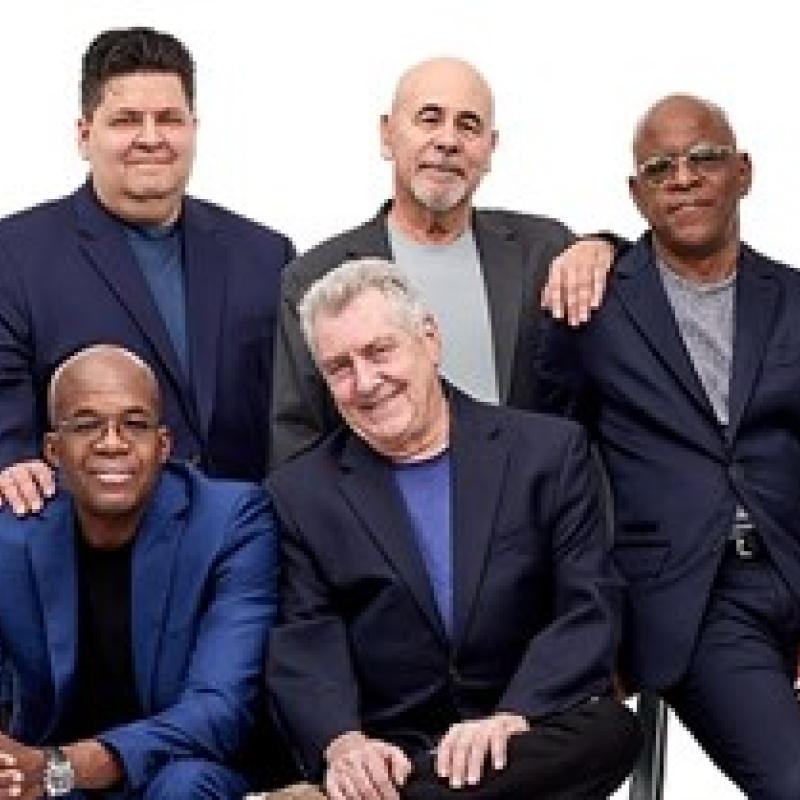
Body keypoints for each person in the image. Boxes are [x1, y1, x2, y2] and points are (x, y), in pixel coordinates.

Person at [267, 259, 641, 800]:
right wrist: (344, 745)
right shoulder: (300, 493)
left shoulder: (548, 452)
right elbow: (306, 637)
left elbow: (588, 605)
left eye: (380, 351)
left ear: (430, 340)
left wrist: (514, 715)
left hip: (519, 734)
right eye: (339, 368)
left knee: (611, 730)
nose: (365, 382)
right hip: (393, 747)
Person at [535, 94, 800, 798]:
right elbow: (547, 465)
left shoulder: (793, 297)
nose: (682, 177)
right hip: (698, 598)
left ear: (743, 172)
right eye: (660, 167)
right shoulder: (590, 308)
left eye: (704, 157)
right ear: (636, 194)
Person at [0, 26, 294, 517]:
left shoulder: (266, 256)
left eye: (169, 119)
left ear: (194, 128)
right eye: (126, 121)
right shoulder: (14, 255)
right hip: (88, 542)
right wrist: (10, 462)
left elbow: (294, 412)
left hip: (244, 539)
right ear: (84, 135)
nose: (151, 138)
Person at [269, 56, 614, 467]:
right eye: (429, 119)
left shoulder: (544, 250)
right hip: (381, 503)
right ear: (387, 134)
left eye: (468, 125)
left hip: (527, 500)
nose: (448, 141)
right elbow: (298, 439)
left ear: (490, 149)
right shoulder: (316, 277)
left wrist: (606, 246)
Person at [0, 344, 278, 799]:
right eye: (86, 425)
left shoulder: (230, 521)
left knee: (184, 786)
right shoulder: (14, 533)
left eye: (134, 424)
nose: (112, 443)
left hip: (181, 771)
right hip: (51, 780)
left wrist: (62, 767)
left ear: (163, 445)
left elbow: (220, 709)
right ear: (53, 449)